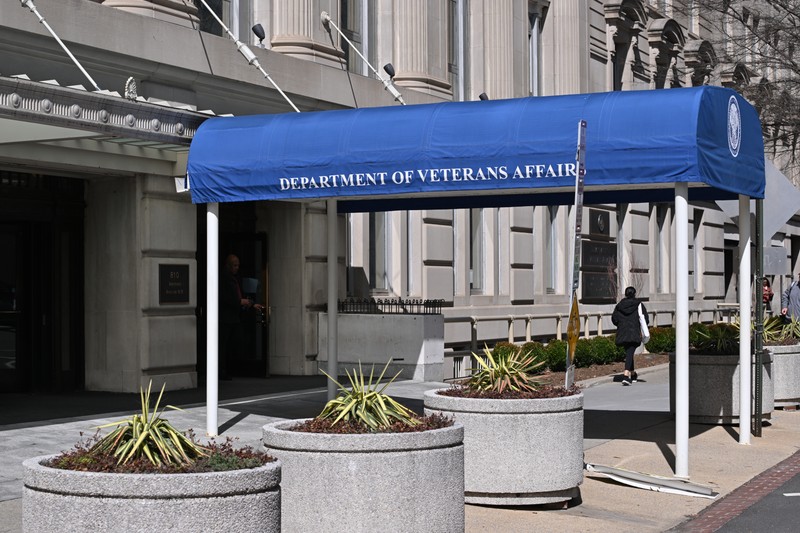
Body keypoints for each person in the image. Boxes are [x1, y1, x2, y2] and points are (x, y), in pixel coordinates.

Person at [219, 254, 253, 380]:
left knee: (233, 344)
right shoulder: (223, 278)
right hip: (225, 318)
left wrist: (249, 304)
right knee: (223, 346)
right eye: (234, 265)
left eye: (238, 265)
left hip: (233, 317)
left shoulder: (235, 278)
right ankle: (221, 371)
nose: (237, 267)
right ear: (228, 265)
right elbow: (225, 298)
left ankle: (229, 369)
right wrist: (239, 302)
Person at [611, 286, 649, 386]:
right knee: (630, 352)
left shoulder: (620, 305)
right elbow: (646, 319)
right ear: (634, 294)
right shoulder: (639, 304)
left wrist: (621, 324)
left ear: (626, 294)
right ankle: (626, 375)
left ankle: (633, 374)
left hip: (623, 333)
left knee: (629, 351)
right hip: (634, 333)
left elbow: (614, 319)